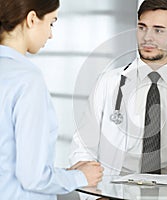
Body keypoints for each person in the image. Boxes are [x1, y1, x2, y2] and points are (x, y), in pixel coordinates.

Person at [70, 0, 167, 183]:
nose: (147, 37)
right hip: (118, 189)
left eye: (158, 30)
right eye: (142, 28)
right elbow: (83, 148)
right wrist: (96, 195)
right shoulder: (108, 83)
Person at [0, 0, 103, 199]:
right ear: (31, 19)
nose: (50, 34)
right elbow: (33, 177)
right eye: (51, 23)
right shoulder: (27, 79)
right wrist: (80, 177)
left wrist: (67, 174)